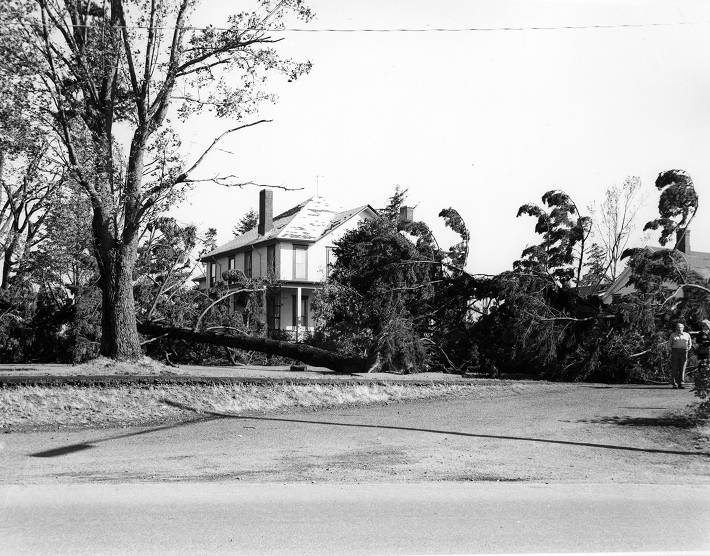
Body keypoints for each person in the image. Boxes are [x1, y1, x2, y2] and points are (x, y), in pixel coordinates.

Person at [669, 322, 692, 389]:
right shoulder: (673, 335)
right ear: (676, 328)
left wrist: (688, 348)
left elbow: (690, 344)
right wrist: (672, 351)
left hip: (684, 352)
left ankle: (681, 383)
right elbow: (669, 344)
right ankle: (674, 383)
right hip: (675, 351)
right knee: (674, 368)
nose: (679, 329)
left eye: (681, 327)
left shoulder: (687, 335)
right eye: (678, 327)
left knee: (683, 368)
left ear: (683, 328)